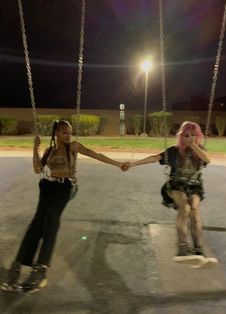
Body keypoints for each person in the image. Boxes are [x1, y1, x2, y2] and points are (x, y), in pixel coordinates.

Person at [2, 120, 125, 292]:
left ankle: (41, 269)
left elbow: (94, 154)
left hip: (66, 187)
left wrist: (118, 164)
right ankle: (17, 267)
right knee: (36, 225)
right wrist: (35, 148)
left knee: (51, 220)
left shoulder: (73, 147)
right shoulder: (49, 151)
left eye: (69, 132)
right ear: (56, 134)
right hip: (48, 187)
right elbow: (38, 170)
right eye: (64, 132)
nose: (68, 135)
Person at [122, 121, 212, 263]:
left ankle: (199, 249)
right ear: (182, 137)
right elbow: (154, 158)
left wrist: (194, 146)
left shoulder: (199, 150)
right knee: (185, 207)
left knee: (195, 210)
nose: (190, 138)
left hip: (195, 187)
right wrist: (133, 164)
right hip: (176, 185)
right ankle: (182, 248)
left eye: (193, 135)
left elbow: (207, 159)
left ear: (198, 136)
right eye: (187, 135)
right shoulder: (173, 151)